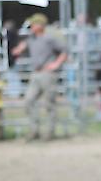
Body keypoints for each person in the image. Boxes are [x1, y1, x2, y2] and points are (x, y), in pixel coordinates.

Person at [11, 13, 67, 141]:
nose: (31, 26)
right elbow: (22, 47)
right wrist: (18, 50)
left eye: (33, 24)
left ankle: (49, 133)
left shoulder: (50, 38)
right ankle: (34, 130)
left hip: (48, 73)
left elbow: (64, 51)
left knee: (49, 104)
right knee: (29, 100)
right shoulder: (31, 39)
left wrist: (56, 64)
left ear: (40, 25)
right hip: (36, 73)